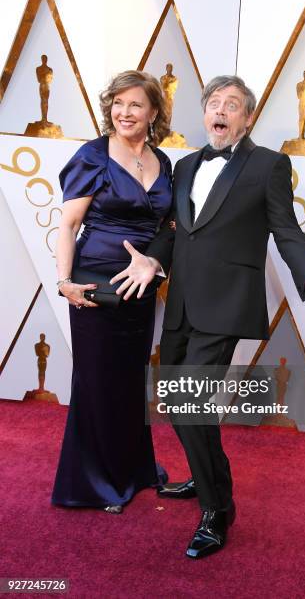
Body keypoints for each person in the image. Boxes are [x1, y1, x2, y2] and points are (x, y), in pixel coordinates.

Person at [110, 75, 305, 554]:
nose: (221, 110)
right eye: (214, 102)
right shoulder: (186, 164)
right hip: (181, 303)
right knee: (176, 402)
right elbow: (176, 230)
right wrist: (154, 259)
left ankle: (218, 510)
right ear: (204, 112)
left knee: (189, 402)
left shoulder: (269, 166)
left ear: (248, 117)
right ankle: (203, 476)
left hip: (227, 304)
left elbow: (286, 230)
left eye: (232, 104)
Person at [51, 70, 172, 514]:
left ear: (153, 112)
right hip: (95, 282)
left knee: (128, 380)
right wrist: (65, 282)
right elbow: (68, 224)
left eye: (135, 104)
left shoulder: (164, 161)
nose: (125, 112)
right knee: (97, 382)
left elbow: (167, 226)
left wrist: (154, 263)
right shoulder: (93, 156)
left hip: (140, 287)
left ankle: (133, 470)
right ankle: (96, 484)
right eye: (118, 104)